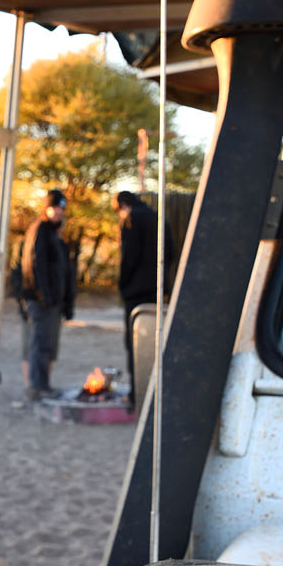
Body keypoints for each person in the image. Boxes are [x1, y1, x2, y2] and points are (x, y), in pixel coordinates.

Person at [116, 132, 175, 406]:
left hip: (136, 291)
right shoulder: (158, 217)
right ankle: (156, 391)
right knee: (157, 341)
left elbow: (129, 256)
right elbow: (171, 253)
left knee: (135, 343)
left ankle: (136, 393)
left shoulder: (131, 219)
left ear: (123, 205)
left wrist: (123, 284)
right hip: (158, 289)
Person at [20, 189, 75, 400]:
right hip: (41, 300)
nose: (60, 212)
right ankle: (37, 387)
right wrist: (44, 294)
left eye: (62, 208)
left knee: (48, 345)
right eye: (57, 208)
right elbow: (36, 264)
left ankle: (43, 385)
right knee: (40, 343)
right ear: (48, 208)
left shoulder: (53, 233)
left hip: (52, 301)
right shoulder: (40, 231)